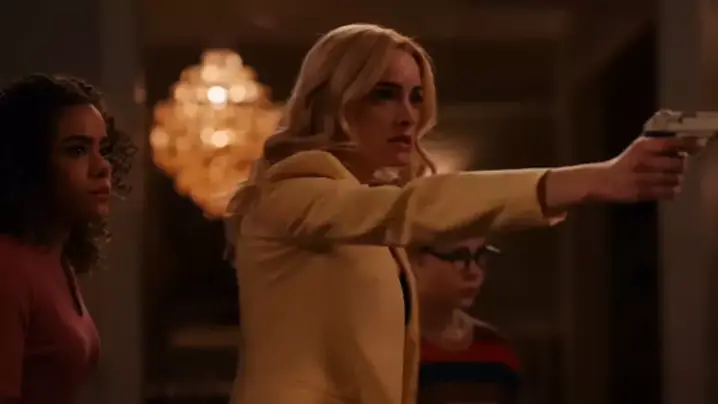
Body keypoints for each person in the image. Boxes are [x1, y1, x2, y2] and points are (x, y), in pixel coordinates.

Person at [223, 23, 698, 404]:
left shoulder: (359, 208)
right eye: (384, 94)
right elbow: (409, 207)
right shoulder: (288, 193)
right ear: (335, 100)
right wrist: (596, 179)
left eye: (415, 96)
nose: (408, 115)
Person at [0, 74, 135, 404]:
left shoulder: (54, 258)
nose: (102, 167)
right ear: (29, 166)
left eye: (103, 149)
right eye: (77, 150)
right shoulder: (7, 267)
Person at [412, 238, 521, 404]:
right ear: (414, 261)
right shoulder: (391, 346)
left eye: (481, 256)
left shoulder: (494, 347)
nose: (474, 273)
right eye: (458, 256)